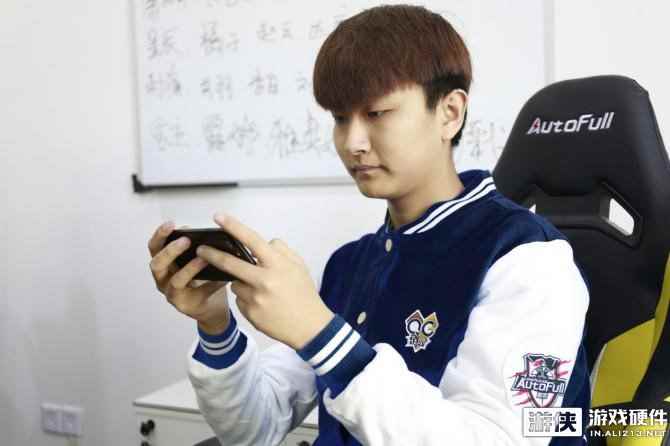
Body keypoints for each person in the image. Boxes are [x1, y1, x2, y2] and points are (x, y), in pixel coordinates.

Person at [147, 5, 590, 445]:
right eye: (340, 118)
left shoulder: (530, 261)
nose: (352, 142)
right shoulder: (350, 264)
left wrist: (320, 333)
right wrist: (216, 326)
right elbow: (254, 429)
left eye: (376, 113)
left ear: (449, 113)